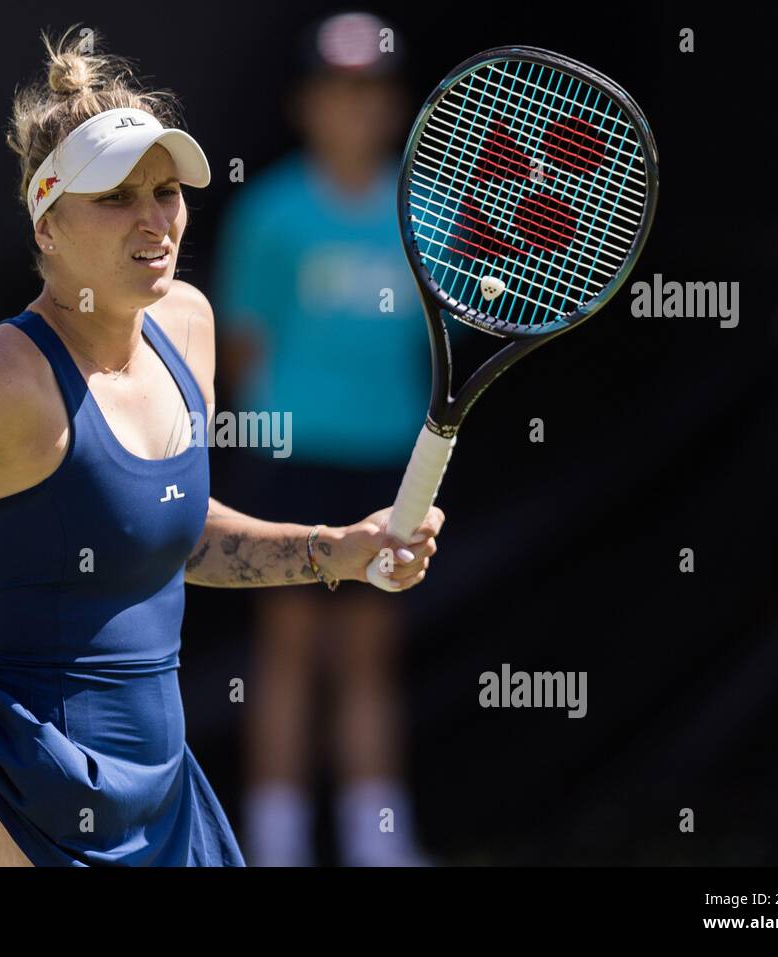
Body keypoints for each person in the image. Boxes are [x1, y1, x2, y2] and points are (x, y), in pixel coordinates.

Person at [0, 25, 443, 867]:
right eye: (115, 198)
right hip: (24, 793)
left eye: (166, 191)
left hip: (166, 787)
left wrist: (340, 550)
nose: (154, 221)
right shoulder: (1, 384)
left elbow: (177, 533)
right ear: (47, 225)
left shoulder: (188, 322)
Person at [214, 11, 456, 865]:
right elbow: (240, 352)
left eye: (371, 92)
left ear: (395, 109)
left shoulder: (425, 213)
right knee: (286, 655)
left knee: (368, 656)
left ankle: (375, 844)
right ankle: (273, 847)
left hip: (388, 461)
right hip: (292, 458)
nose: (354, 109)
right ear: (305, 104)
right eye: (337, 92)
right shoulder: (270, 214)